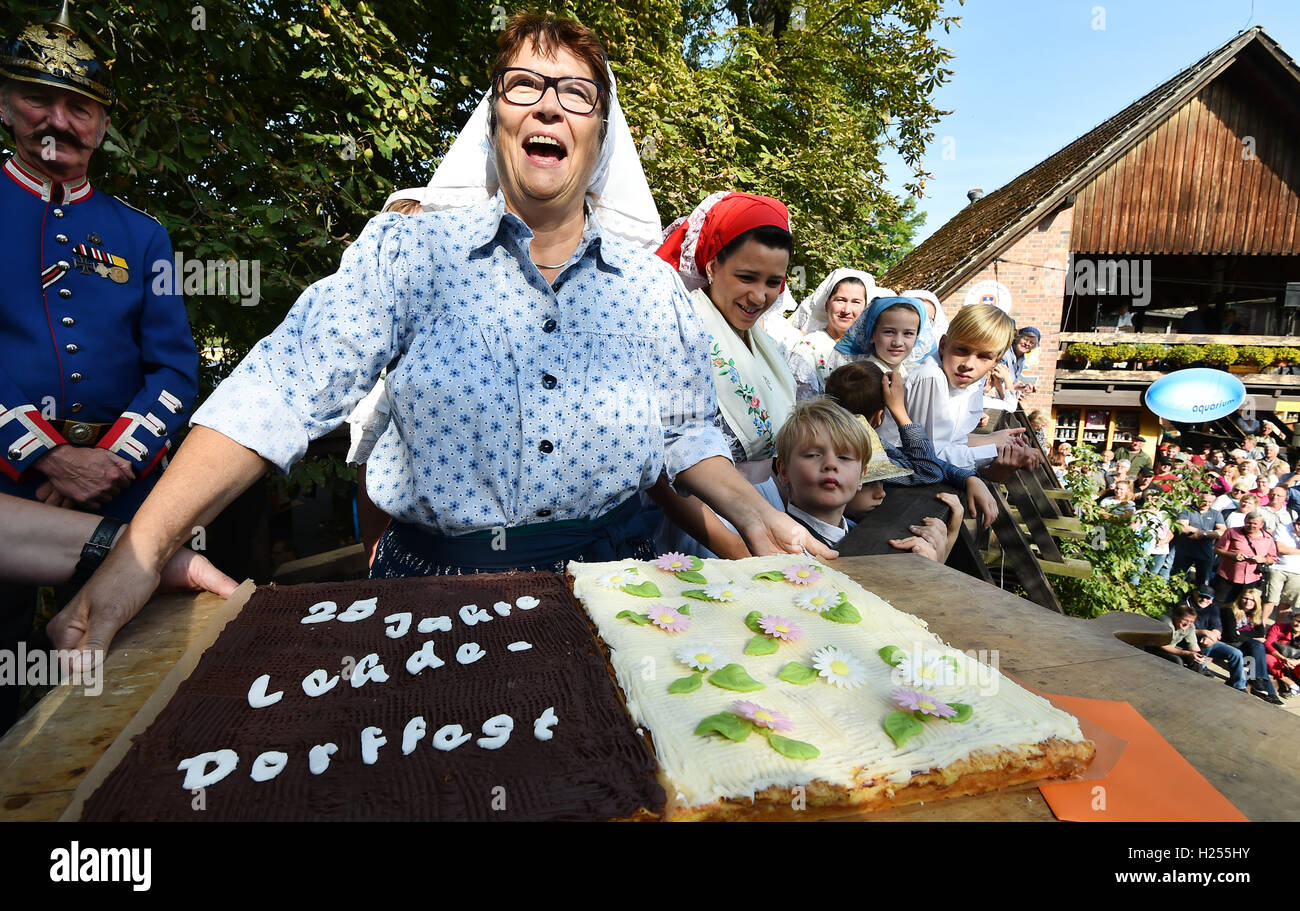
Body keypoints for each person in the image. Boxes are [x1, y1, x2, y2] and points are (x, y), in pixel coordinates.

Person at [48, 14, 832, 668]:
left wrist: (753, 516)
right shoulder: (408, 254)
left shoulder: (652, 286)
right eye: (524, 86)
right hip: (435, 599)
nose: (548, 107)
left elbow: (684, 427)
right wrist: (140, 552)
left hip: (626, 596)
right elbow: (280, 387)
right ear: (496, 117)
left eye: (576, 94)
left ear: (601, 133)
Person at [0, 7, 198, 519]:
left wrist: (113, 461)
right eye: (38, 99)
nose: (58, 122)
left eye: (79, 108)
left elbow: (174, 368)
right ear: (4, 105)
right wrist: (46, 454)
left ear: (103, 125)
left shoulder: (145, 234)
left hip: (121, 486)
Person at [649, 191, 808, 559]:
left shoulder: (766, 345)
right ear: (712, 266)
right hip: (702, 521)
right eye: (747, 277)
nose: (759, 296)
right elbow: (659, 467)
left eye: (773, 282)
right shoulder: (677, 335)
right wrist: (735, 548)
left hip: (765, 508)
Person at [823, 361, 998, 528]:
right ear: (879, 416)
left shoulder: (867, 444)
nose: (880, 491)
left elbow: (913, 460)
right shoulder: (865, 452)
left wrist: (968, 478)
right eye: (869, 483)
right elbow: (928, 469)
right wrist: (900, 412)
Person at [878, 305, 1039, 478]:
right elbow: (931, 458)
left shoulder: (972, 382)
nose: (968, 364)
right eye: (962, 350)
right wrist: (995, 451)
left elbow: (953, 442)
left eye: (984, 357)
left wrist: (1000, 446)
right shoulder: (931, 377)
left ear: (995, 362)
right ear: (943, 345)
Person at [783, 269, 873, 398]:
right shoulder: (808, 349)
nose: (846, 310)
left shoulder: (869, 351)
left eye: (856, 302)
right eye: (840, 300)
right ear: (827, 305)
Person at [832, 294, 929, 379]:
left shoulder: (914, 374)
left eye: (908, 333)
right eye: (889, 332)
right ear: (872, 334)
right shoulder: (858, 378)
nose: (898, 342)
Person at [1212, 510, 1277, 610]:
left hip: (1251, 578)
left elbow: (1273, 559)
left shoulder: (1268, 538)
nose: (1251, 525)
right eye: (1248, 523)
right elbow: (1218, 549)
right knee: (1218, 602)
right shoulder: (1232, 532)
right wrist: (1233, 555)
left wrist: (1263, 559)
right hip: (1227, 575)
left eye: (1254, 524)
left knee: (1241, 606)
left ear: (1261, 525)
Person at [1171, 490, 1226, 587]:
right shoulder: (1186, 510)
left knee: (1203, 582)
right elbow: (1183, 527)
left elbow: (1222, 532)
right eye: (1204, 501)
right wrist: (1208, 532)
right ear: (1198, 498)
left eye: (1210, 502)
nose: (1207, 504)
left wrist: (1203, 533)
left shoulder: (1216, 514)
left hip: (1205, 553)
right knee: (1177, 579)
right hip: (1185, 551)